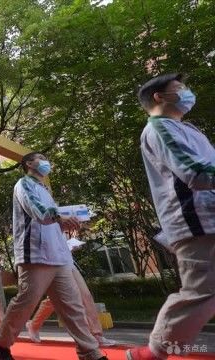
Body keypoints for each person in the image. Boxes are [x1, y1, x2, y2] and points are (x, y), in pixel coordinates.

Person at [126, 73, 215, 360]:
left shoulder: (187, 129)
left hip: (208, 216)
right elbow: (196, 173)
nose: (188, 92)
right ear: (159, 97)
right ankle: (154, 352)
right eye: (180, 88)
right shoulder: (159, 128)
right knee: (202, 290)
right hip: (196, 221)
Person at [0, 153, 107, 360]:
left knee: (73, 306)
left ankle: (89, 351)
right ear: (28, 164)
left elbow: (52, 218)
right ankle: (0, 341)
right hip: (35, 254)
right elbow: (38, 210)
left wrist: (66, 226)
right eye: (40, 158)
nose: (46, 162)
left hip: (59, 256)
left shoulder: (46, 189)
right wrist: (58, 217)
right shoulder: (24, 184)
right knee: (26, 301)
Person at [26, 240, 116, 347]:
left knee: (85, 296)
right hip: (51, 263)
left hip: (67, 262)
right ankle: (33, 325)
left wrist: (70, 246)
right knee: (54, 299)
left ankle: (96, 334)